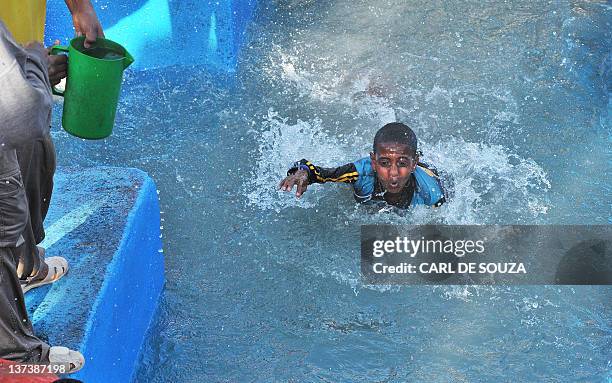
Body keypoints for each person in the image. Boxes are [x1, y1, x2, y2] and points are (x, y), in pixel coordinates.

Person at [279, 122, 448, 208]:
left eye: (402, 163)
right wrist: (301, 173)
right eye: (384, 163)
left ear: (413, 164)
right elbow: (318, 172)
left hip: (432, 173)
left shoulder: (431, 193)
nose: (393, 173)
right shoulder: (361, 173)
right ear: (373, 162)